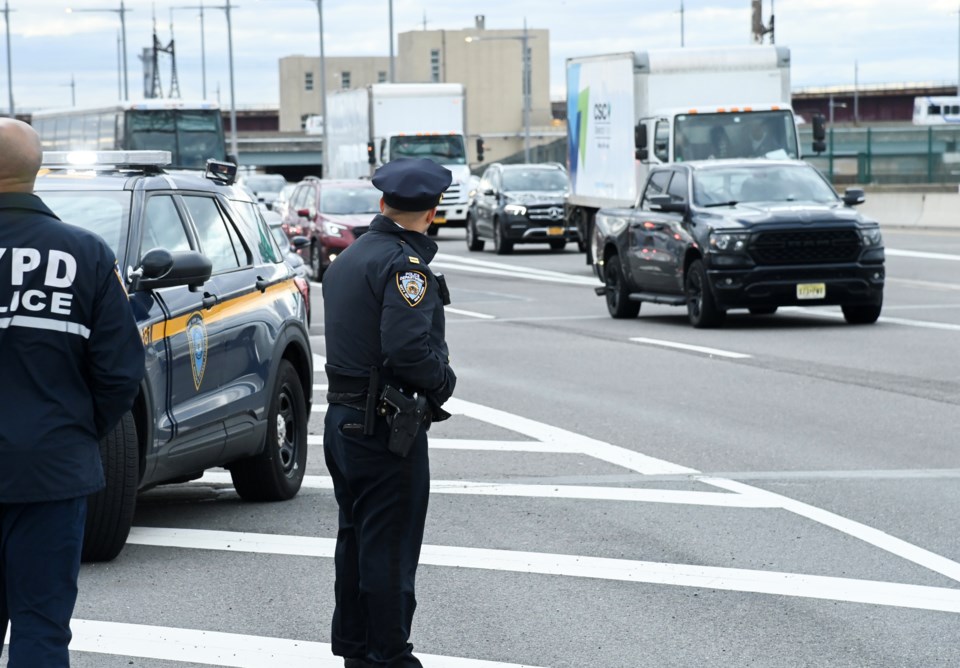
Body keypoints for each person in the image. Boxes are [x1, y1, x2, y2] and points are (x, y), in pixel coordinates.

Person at [0, 119, 145, 666]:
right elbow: (119, 373)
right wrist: (75, 433)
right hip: (52, 469)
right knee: (41, 627)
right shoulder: (84, 253)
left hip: (50, 463)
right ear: (36, 174)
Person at [322, 157, 456, 668]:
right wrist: (444, 382)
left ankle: (357, 651)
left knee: (356, 541)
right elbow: (407, 350)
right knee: (390, 549)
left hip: (343, 420)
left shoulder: (352, 257)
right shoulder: (405, 266)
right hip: (384, 428)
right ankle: (390, 656)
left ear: (382, 204)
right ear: (433, 211)